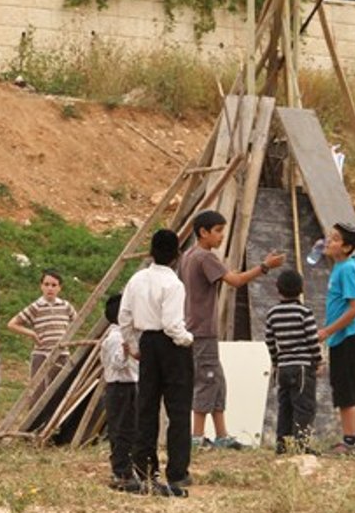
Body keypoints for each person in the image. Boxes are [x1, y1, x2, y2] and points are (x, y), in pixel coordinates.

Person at [179, 210, 284, 450]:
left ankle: (222, 435)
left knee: (217, 381)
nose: (221, 236)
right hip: (202, 329)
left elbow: (228, 276)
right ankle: (196, 437)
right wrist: (264, 267)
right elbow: (235, 282)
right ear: (203, 232)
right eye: (217, 231)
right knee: (207, 380)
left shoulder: (189, 255)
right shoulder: (205, 257)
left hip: (196, 328)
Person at [118, 229, 194, 497]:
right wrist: (187, 339)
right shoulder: (174, 284)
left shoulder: (137, 279)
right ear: (177, 255)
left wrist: (133, 345)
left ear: (151, 252)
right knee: (179, 410)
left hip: (148, 343)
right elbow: (172, 325)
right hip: (172, 347)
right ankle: (177, 471)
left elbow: (124, 316)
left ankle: (144, 468)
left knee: (147, 407)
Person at [318, 222, 355, 455]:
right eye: (329, 237)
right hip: (342, 336)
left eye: (335, 239)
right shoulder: (342, 266)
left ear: (346, 247)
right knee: (350, 386)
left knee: (344, 389)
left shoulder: (347, 269)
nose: (328, 242)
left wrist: (328, 330)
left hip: (347, 336)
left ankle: (349, 440)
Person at [264, 269, 320, 455]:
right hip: (302, 367)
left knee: (285, 405)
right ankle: (300, 445)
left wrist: (276, 361)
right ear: (301, 289)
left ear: (277, 289)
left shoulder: (272, 314)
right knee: (304, 406)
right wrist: (317, 360)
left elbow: (270, 340)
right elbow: (312, 339)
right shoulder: (304, 312)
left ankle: (282, 443)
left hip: (283, 367)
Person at [8, 270, 77, 390]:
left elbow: (77, 321)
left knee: (61, 390)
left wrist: (67, 336)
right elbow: (12, 324)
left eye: (54, 285)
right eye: (47, 284)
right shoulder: (36, 307)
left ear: (59, 288)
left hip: (62, 354)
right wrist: (32, 334)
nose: (50, 288)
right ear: (41, 286)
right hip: (42, 355)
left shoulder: (65, 306)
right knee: (38, 391)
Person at [99, 292, 138, 490]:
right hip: (119, 387)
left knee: (129, 429)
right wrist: (125, 351)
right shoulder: (116, 338)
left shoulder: (123, 336)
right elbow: (116, 364)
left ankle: (127, 468)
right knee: (121, 431)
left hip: (128, 386)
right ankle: (121, 472)